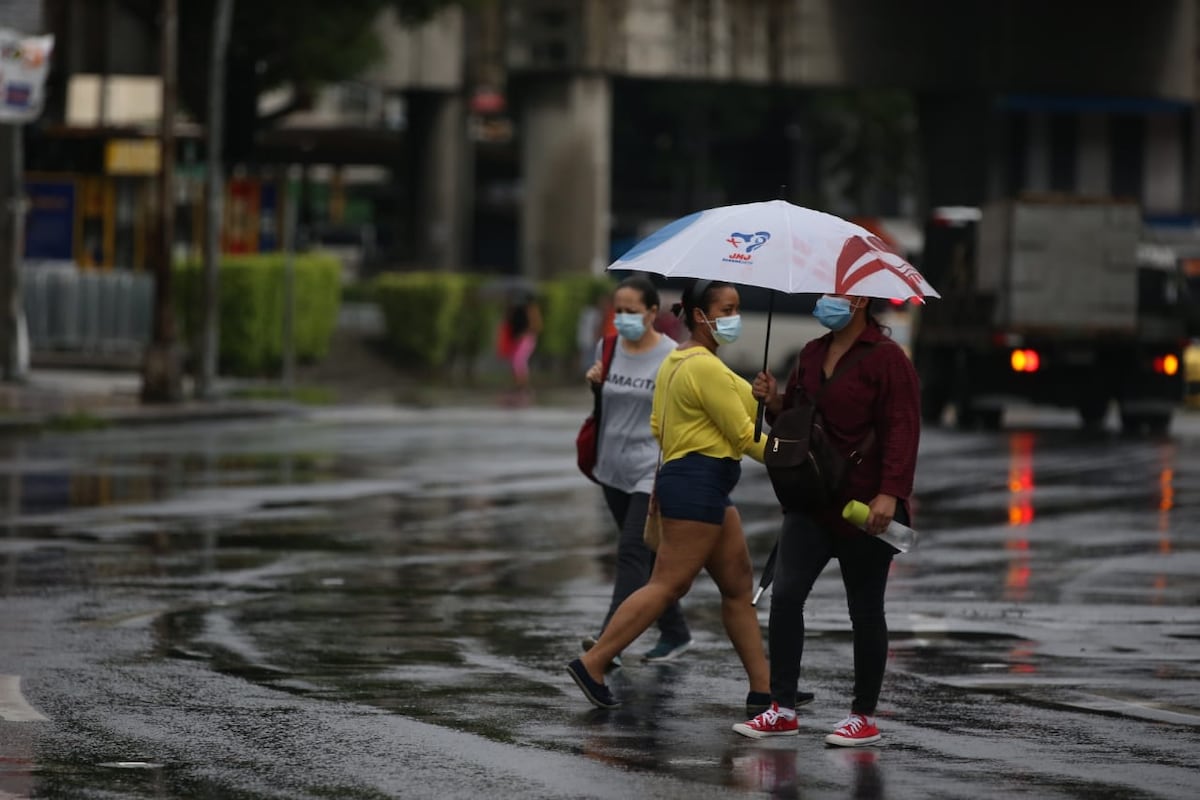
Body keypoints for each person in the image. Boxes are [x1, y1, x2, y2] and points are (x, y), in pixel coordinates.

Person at [568, 279, 812, 714]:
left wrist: (768, 399)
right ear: (700, 315)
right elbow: (744, 435)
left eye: (736, 308)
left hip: (699, 482)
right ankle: (594, 662)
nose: (733, 317)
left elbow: (663, 424)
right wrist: (794, 457)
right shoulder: (704, 368)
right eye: (727, 309)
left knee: (737, 588)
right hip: (699, 482)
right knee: (667, 584)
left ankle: (766, 691)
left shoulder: (678, 361)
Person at [733, 293, 920, 747]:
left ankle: (863, 716)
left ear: (856, 300)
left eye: (832, 292)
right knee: (786, 597)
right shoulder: (813, 353)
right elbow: (798, 418)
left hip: (863, 508)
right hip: (810, 501)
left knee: (865, 610)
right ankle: (781, 708)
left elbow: (902, 428)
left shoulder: (888, 359)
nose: (822, 300)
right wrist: (773, 400)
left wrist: (890, 494)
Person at [582, 276, 692, 667]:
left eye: (631, 311)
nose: (623, 318)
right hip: (611, 465)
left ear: (651, 313)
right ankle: (676, 631)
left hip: (651, 468)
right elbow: (606, 406)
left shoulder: (671, 355)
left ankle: (608, 641)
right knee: (644, 559)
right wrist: (596, 385)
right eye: (619, 311)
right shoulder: (607, 346)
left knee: (631, 551)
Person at [503, 291, 542, 403]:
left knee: (519, 362)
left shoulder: (531, 310)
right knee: (516, 362)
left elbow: (535, 326)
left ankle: (523, 388)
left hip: (526, 339)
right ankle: (519, 386)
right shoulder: (521, 310)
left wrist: (524, 333)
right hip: (522, 338)